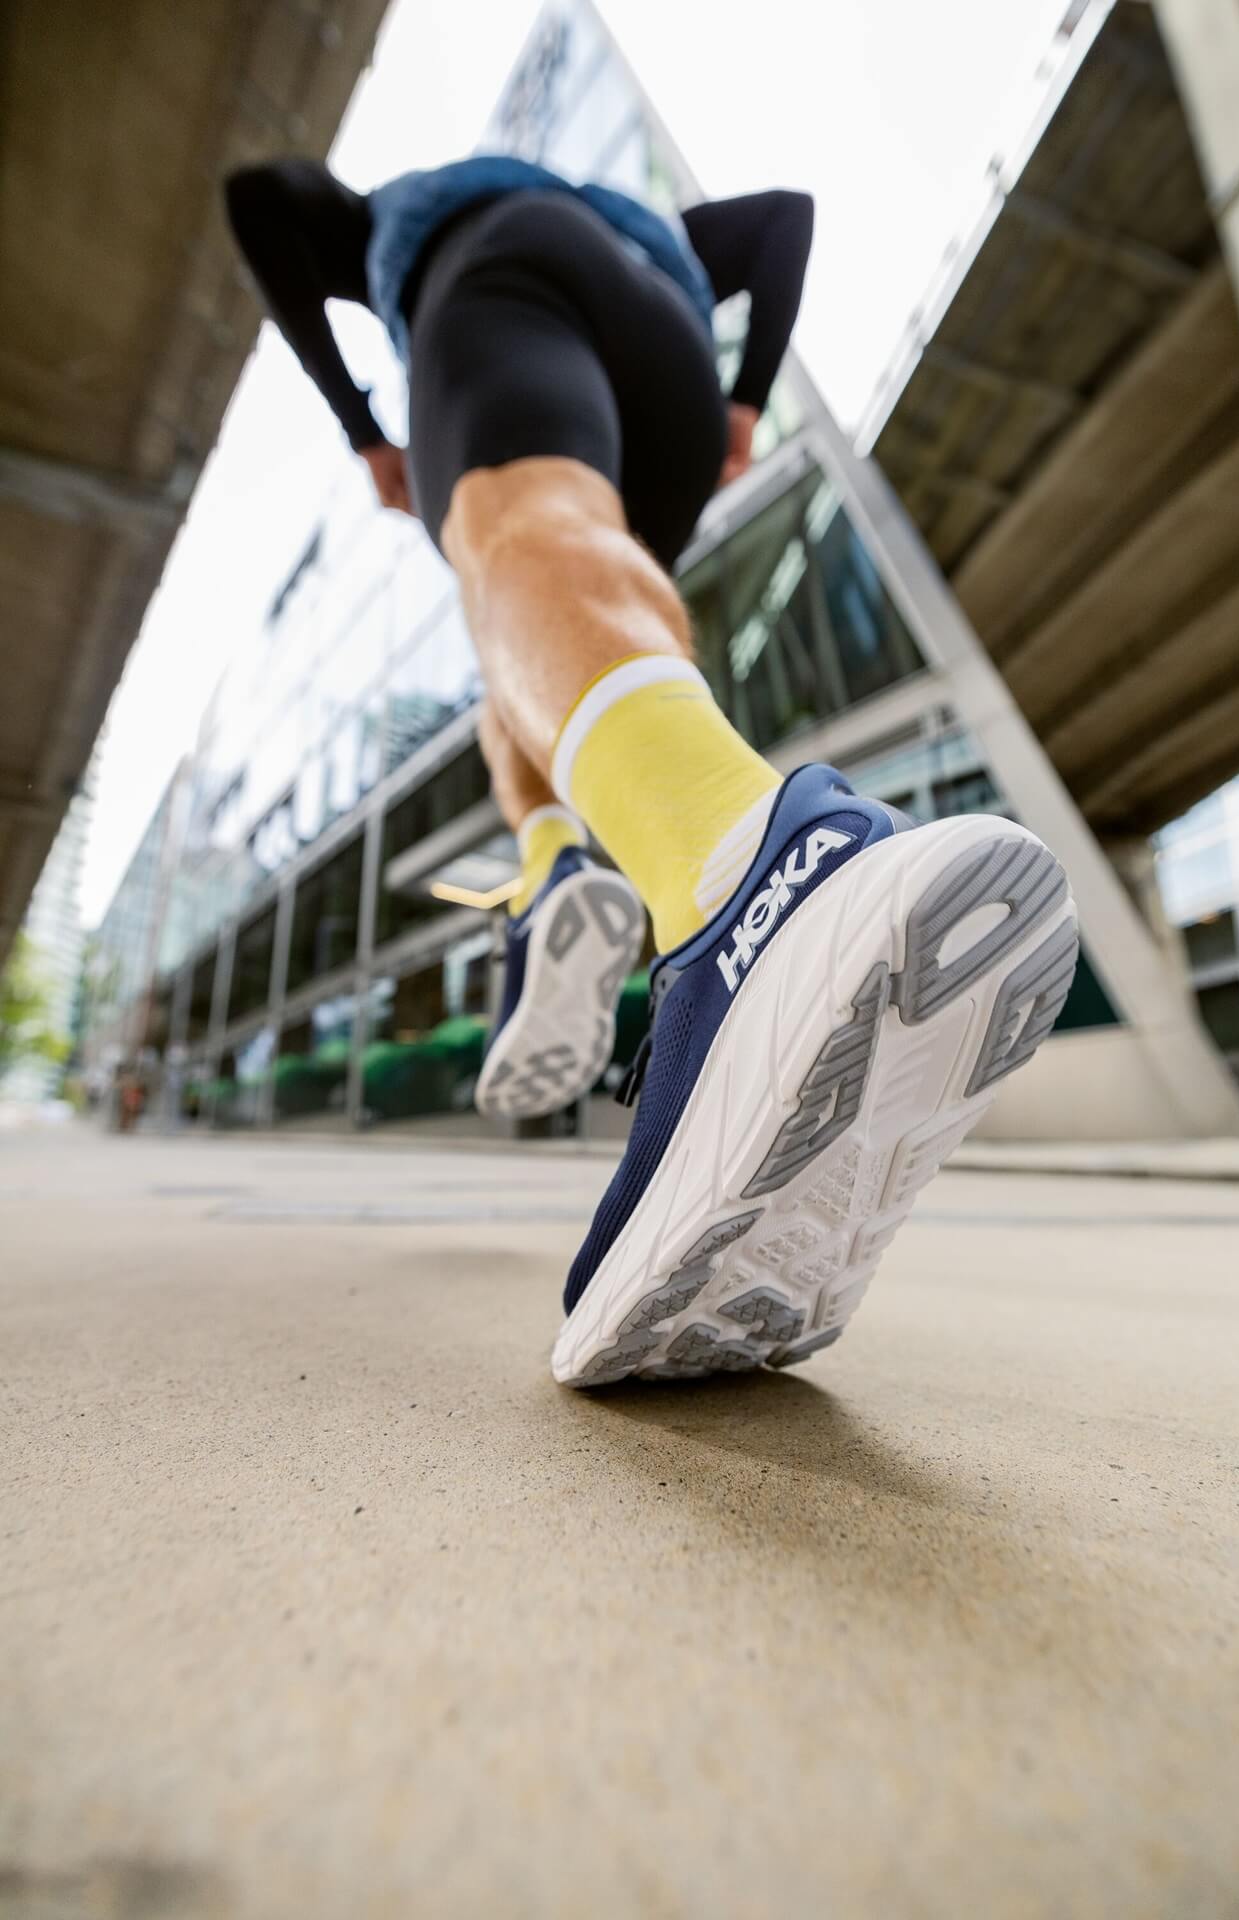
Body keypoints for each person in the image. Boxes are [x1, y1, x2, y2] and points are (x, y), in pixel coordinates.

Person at [225, 152, 1078, 1388]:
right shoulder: (651, 224)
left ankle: (749, 870)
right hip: (670, 362)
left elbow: (263, 197)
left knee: (518, 539)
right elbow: (784, 217)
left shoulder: (421, 213)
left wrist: (363, 425)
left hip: (502, 281)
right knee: (541, 644)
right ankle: (559, 866)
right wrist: (741, 398)